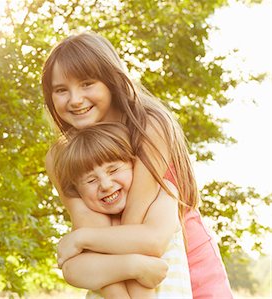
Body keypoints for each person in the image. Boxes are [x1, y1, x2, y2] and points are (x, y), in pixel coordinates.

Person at [42, 31, 233, 298]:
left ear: (110, 80)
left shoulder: (149, 125)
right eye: (61, 90)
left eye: (86, 83)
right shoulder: (61, 156)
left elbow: (139, 228)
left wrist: (83, 243)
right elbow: (94, 233)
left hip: (184, 259)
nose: (74, 99)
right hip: (116, 272)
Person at [52, 122, 192, 298]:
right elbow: (73, 271)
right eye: (90, 180)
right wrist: (134, 267)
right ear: (77, 191)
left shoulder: (163, 193)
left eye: (113, 170)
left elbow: (153, 241)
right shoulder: (96, 219)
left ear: (134, 164)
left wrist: (81, 238)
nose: (105, 185)